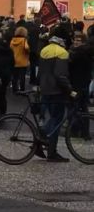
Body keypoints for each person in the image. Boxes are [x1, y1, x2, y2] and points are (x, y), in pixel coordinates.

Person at [37, 30, 75, 162]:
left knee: (52, 117)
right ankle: (51, 151)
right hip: (57, 90)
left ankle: (41, 138)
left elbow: (40, 71)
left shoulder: (44, 50)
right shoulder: (62, 52)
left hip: (45, 88)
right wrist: (69, 90)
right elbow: (60, 75)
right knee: (57, 119)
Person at [9, 26, 30, 93]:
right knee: (22, 76)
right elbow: (26, 48)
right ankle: (22, 89)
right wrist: (28, 52)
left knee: (15, 76)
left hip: (14, 60)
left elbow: (10, 49)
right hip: (22, 61)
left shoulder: (12, 40)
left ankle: (14, 89)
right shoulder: (24, 40)